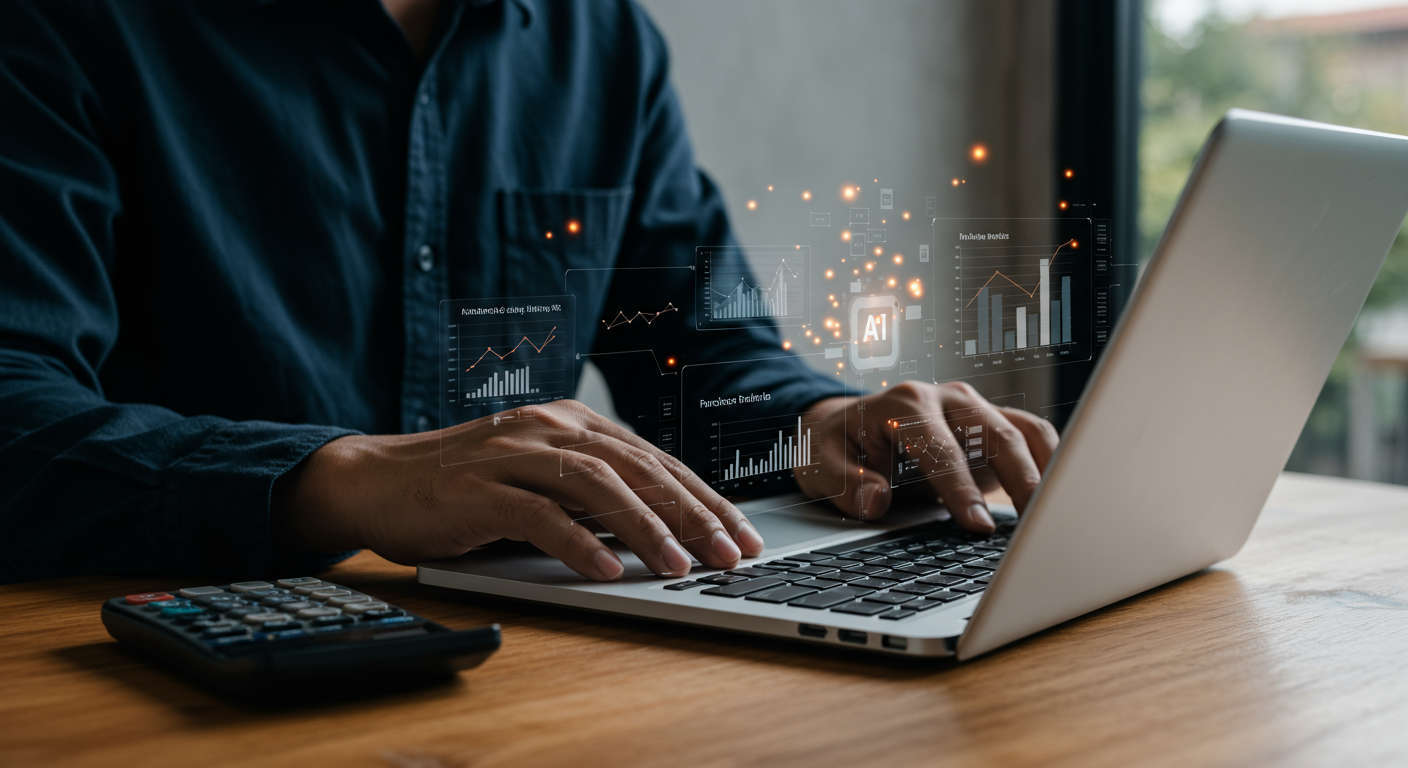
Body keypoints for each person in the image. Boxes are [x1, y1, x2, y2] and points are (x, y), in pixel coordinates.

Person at [0, 0, 1058, 583]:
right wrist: (342, 478)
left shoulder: (603, 42)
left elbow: (698, 352)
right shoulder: (63, 26)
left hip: (526, 668)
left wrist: (829, 422)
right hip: (163, 671)